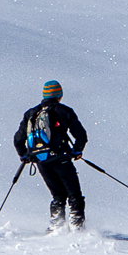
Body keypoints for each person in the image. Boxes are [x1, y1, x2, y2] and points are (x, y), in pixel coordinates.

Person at [15, 80, 88, 230]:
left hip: (41, 160)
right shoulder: (64, 111)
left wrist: (24, 155)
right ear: (59, 95)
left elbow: (18, 139)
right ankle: (77, 227)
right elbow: (81, 135)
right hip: (61, 158)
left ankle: (57, 227)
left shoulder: (31, 113)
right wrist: (77, 151)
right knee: (74, 194)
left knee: (58, 195)